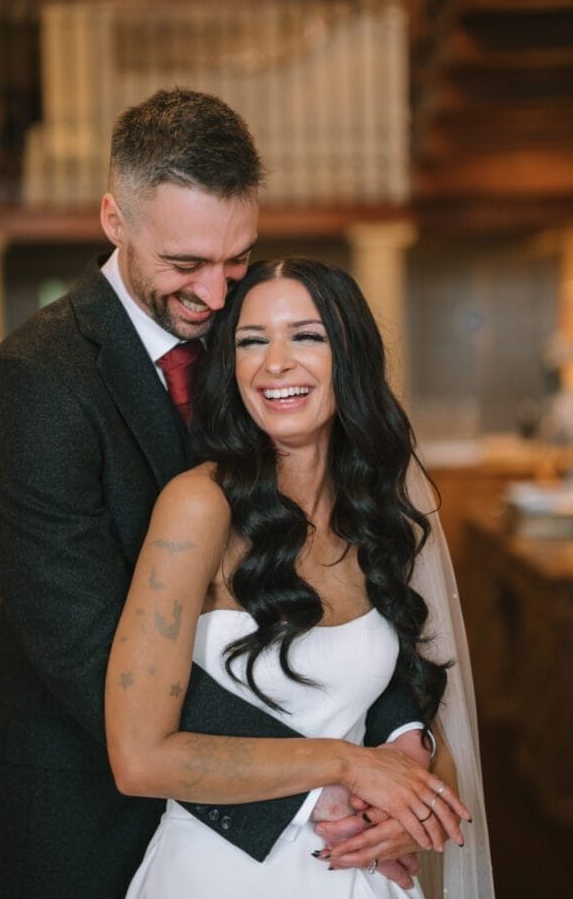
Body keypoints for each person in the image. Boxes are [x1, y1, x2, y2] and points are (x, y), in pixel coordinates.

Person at [0, 89, 434, 899]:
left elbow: (342, 574)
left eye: (235, 257)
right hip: (85, 808)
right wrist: (323, 785)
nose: (214, 291)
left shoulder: (259, 345)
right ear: (113, 219)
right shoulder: (35, 383)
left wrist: (396, 736)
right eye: (184, 263)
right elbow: (89, 652)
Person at [106, 257, 495, 899]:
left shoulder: (377, 516)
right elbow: (139, 757)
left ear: (351, 358)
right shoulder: (200, 505)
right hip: (223, 873)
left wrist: (413, 808)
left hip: (362, 875)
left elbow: (420, 715)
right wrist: (345, 763)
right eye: (251, 342)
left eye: (306, 336)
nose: (275, 363)